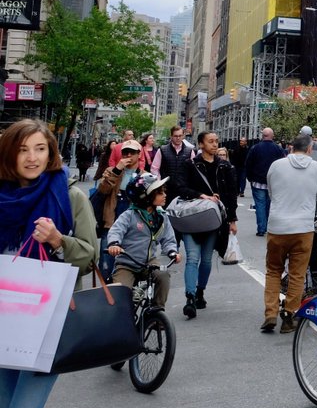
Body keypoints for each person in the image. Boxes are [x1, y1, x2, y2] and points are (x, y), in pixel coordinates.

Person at [0, 120, 98, 408]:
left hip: (48, 327)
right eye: (23, 150)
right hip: (4, 323)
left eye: (40, 149)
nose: (32, 157)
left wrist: (58, 240)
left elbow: (88, 256)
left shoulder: (70, 197)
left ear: (51, 153)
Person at [263, 133, 317, 334]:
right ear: (310, 149)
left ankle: (270, 313)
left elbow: (271, 193)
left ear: (291, 147)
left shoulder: (276, 166)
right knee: (297, 273)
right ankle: (290, 314)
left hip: (277, 227)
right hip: (303, 228)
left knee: (273, 270)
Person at [179, 131, 239, 319]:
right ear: (201, 144)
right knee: (192, 258)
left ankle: (200, 292)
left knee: (205, 260)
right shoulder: (190, 165)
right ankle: (189, 297)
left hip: (214, 220)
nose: (214, 145)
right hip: (192, 217)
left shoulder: (225, 166)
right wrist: (200, 195)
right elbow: (179, 187)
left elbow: (231, 194)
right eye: (210, 141)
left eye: (216, 141)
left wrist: (232, 219)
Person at [107, 173, 179, 308]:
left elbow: (168, 238)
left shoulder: (162, 216)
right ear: (145, 197)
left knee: (163, 275)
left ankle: (157, 311)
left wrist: (172, 252)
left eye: (164, 191)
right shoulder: (129, 215)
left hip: (149, 262)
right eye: (159, 192)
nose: (164, 195)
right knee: (120, 295)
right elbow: (116, 231)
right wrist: (114, 244)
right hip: (127, 262)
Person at [93, 139, 140, 280]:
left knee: (129, 263)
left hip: (133, 226)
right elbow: (103, 189)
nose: (128, 155)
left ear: (139, 154)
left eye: (132, 152)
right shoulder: (111, 171)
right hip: (111, 222)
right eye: (125, 152)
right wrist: (117, 170)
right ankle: (105, 293)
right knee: (106, 262)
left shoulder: (143, 175)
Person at [245, 127, 286, 236]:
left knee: (260, 205)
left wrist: (250, 178)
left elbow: (248, 164)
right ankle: (268, 226)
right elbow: (283, 165)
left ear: (263, 136)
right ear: (272, 136)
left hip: (257, 182)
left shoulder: (255, 148)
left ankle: (261, 228)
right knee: (270, 205)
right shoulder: (278, 149)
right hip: (273, 183)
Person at [153, 126, 195, 197]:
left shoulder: (190, 151)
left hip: (183, 190)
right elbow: (154, 168)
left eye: (180, 136)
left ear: (183, 136)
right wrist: (159, 183)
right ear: (171, 136)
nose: (178, 138)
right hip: (166, 189)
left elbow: (193, 171)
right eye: (175, 136)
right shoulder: (162, 150)